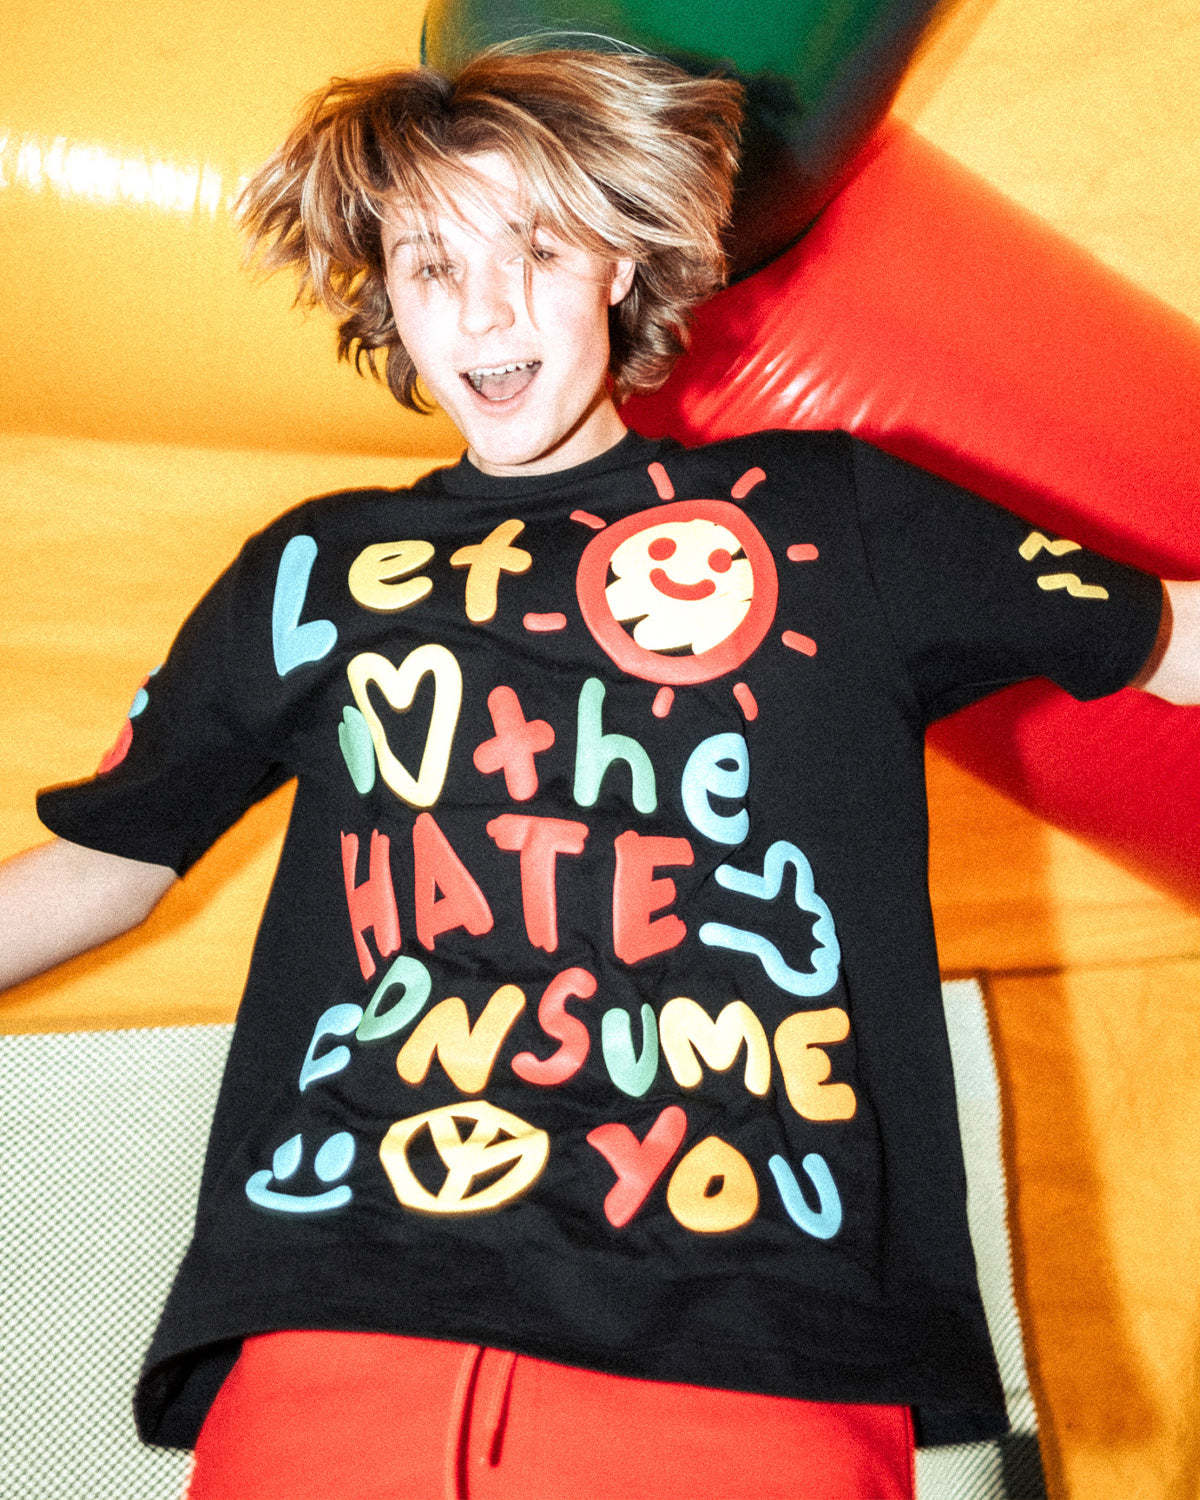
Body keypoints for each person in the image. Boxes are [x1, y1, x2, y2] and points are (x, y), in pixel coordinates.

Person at [2, 41, 1197, 1500]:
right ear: (388, 301)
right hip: (346, 1325)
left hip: (748, 1340)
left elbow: (1173, 641)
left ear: (620, 261)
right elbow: (101, 872)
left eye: (536, 249)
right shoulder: (315, 570)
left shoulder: (831, 519)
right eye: (431, 266)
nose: (485, 309)